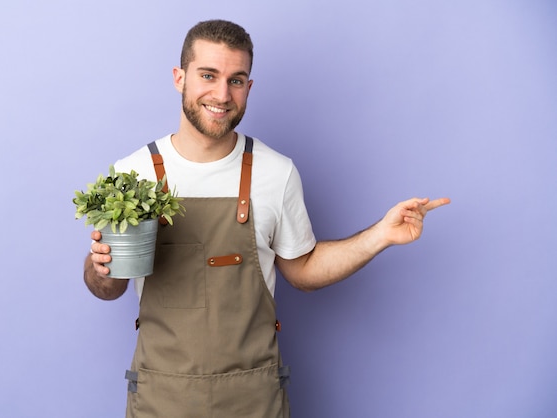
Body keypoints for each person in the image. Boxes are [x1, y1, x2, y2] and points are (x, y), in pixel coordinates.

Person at [83, 19, 450, 418]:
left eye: (236, 80)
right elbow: (108, 288)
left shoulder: (276, 173)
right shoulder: (132, 175)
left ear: (249, 88)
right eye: (208, 75)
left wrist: (379, 235)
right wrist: (101, 268)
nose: (222, 94)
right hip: (161, 399)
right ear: (179, 78)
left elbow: (303, 269)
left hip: (253, 400)